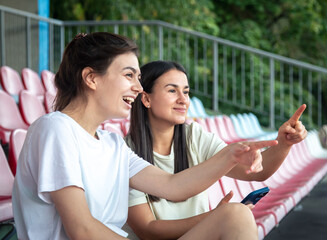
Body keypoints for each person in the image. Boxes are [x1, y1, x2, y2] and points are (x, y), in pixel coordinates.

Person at [12, 32, 277, 240]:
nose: (139, 88)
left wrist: (232, 154)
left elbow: (173, 186)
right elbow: (82, 230)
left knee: (236, 215)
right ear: (91, 78)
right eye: (129, 75)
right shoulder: (55, 128)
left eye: (139, 77)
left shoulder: (111, 143)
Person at [125, 60, 308, 240]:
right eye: (172, 90)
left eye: (186, 92)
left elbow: (256, 172)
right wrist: (213, 217)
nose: (183, 100)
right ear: (146, 98)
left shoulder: (194, 136)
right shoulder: (126, 153)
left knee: (236, 214)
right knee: (235, 214)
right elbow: (148, 231)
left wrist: (284, 143)